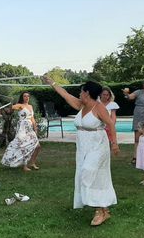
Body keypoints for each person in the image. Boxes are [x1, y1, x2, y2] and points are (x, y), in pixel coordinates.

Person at [43, 76, 120, 227]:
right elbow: (64, 94)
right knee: (90, 175)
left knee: (88, 172)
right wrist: (52, 82)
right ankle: (103, 210)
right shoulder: (81, 105)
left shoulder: (99, 108)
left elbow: (111, 124)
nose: (79, 94)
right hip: (83, 146)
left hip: (98, 145)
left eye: (81, 91)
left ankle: (99, 209)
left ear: (87, 93)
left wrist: (115, 144)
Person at [1, 92, 42, 172]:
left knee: (37, 146)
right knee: (24, 146)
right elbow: (12, 108)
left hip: (29, 128)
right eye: (25, 96)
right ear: (22, 97)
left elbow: (32, 118)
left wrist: (35, 128)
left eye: (28, 96)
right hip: (22, 128)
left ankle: (32, 163)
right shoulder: (20, 105)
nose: (26, 97)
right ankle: (25, 166)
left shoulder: (30, 106)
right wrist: (11, 103)